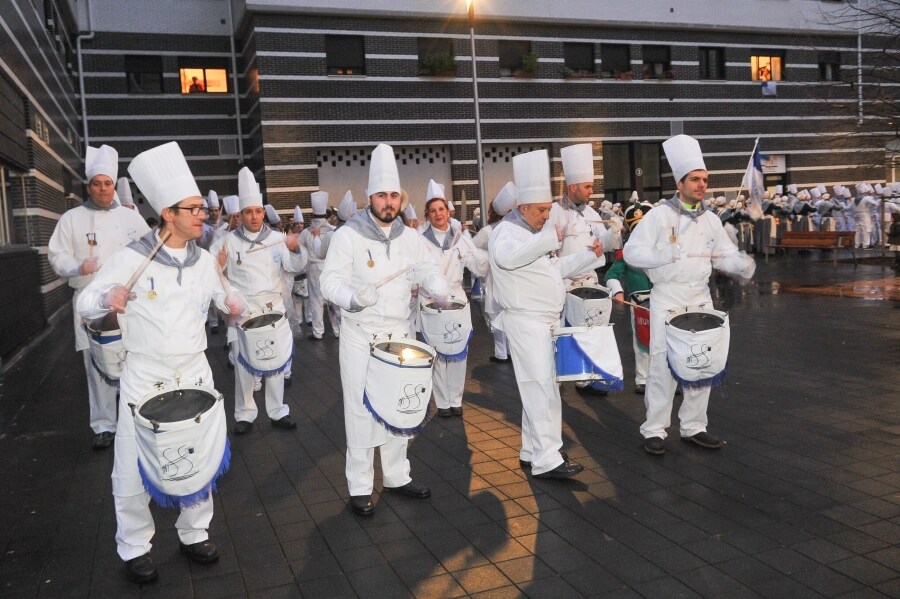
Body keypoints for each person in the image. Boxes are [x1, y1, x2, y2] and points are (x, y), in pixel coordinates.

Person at [76, 141, 245, 584]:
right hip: (145, 376)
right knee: (132, 463)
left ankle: (195, 533)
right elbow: (87, 301)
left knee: (198, 455)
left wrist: (232, 304)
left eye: (201, 209)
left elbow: (222, 299)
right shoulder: (133, 257)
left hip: (195, 371)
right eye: (192, 209)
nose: (201, 214)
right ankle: (134, 545)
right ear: (168, 214)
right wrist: (105, 299)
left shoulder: (205, 260)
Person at [320, 143, 450, 517]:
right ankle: (360, 486)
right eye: (382, 196)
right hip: (361, 334)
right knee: (360, 411)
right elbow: (329, 281)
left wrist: (436, 283)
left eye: (394, 195)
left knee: (399, 407)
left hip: (399, 332)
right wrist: (352, 297)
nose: (388, 202)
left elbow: (424, 269)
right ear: (370, 197)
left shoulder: (410, 238)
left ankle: (396, 476)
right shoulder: (348, 235)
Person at [623, 134, 756, 456]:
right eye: (695, 179)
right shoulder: (657, 216)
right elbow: (631, 252)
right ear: (680, 183)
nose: (701, 185)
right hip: (667, 298)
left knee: (702, 364)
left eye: (705, 180)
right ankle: (655, 429)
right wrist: (661, 257)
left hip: (700, 297)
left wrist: (739, 263)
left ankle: (694, 426)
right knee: (661, 365)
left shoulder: (711, 220)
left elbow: (722, 254)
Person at [489, 149, 604, 479]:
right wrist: (545, 239)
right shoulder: (506, 233)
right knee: (539, 388)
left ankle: (532, 450)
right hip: (525, 320)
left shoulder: (529, 233)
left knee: (541, 388)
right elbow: (508, 259)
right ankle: (548, 459)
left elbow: (554, 268)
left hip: (542, 321)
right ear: (523, 207)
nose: (545, 216)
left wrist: (587, 254)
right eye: (541, 210)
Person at [48, 144, 149, 450]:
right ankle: (104, 424)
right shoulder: (72, 219)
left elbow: (150, 251)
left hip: (129, 303)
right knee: (97, 366)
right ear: (88, 186)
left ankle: (139, 419)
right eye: (97, 183)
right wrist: (78, 265)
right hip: (91, 303)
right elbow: (56, 255)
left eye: (107, 183)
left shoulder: (131, 219)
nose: (103, 189)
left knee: (136, 361)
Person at [210, 168, 308, 435]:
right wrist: (220, 272)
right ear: (240, 215)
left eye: (258, 211)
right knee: (243, 366)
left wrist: (295, 249)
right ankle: (245, 413)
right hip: (243, 312)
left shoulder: (277, 240)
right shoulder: (226, 242)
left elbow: (296, 266)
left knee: (275, 363)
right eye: (248, 212)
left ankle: (278, 411)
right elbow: (210, 275)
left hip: (273, 309)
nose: (254, 216)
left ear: (264, 212)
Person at [545, 143, 614, 397]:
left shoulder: (592, 212)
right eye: (587, 187)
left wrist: (612, 235)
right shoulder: (554, 211)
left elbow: (605, 243)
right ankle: (562, 374)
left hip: (589, 280)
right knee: (564, 332)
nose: (591, 191)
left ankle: (589, 377)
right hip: (564, 283)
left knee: (592, 331)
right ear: (573, 187)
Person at [420, 179, 488, 418]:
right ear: (427, 215)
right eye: (433, 211)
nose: (438, 214)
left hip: (457, 297)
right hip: (431, 301)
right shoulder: (420, 240)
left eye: (441, 209)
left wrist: (485, 252)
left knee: (459, 350)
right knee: (437, 352)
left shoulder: (460, 237)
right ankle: (442, 402)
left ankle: (456, 399)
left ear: (448, 211)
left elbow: (478, 266)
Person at [605, 203, 654, 395]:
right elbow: (611, 275)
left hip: (665, 301)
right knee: (642, 340)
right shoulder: (626, 253)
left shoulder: (665, 248)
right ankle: (642, 378)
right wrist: (617, 291)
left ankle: (667, 378)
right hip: (640, 302)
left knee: (665, 342)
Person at [471, 182, 517, 364]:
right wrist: (487, 260)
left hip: (505, 277)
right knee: (505, 313)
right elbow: (473, 249)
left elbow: (472, 247)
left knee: (498, 314)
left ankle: (502, 353)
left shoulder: (491, 231)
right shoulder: (490, 231)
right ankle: (507, 352)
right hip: (504, 277)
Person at [299, 191, 341, 340]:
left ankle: (318, 332)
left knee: (316, 300)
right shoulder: (334, 231)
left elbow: (299, 249)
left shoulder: (306, 232)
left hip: (314, 268)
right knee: (334, 300)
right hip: (330, 267)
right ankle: (338, 330)